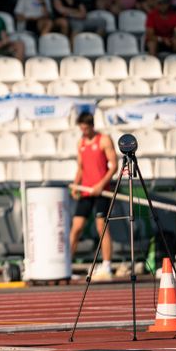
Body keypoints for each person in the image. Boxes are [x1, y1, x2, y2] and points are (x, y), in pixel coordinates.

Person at [70, 112, 118, 281]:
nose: (84, 131)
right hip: (86, 191)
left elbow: (114, 166)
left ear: (91, 126)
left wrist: (100, 185)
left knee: (101, 227)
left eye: (85, 128)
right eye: (81, 128)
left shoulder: (104, 140)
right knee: (76, 228)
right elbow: (81, 168)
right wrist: (76, 184)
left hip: (102, 192)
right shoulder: (81, 143)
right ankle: (67, 265)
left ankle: (106, 265)